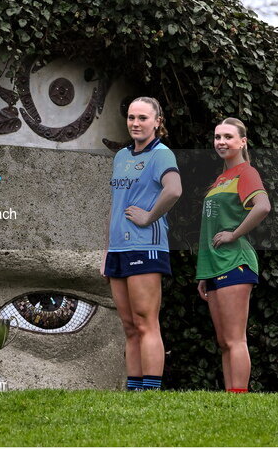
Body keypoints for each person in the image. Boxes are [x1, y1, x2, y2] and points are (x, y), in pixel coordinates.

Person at [101, 96, 182, 391]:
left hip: (145, 246)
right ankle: (134, 389)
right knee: (129, 326)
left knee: (146, 322)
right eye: (132, 117)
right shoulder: (121, 156)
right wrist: (107, 250)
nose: (136, 123)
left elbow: (174, 190)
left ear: (157, 122)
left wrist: (148, 217)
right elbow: (115, 205)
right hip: (118, 250)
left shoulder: (162, 154)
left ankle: (151, 390)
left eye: (143, 118)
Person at [195, 118, 271, 393]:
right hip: (215, 266)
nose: (221, 142)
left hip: (235, 262)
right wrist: (204, 273)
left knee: (235, 339)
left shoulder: (245, 172)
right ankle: (231, 398)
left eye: (228, 136)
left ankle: (239, 397)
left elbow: (262, 207)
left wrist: (233, 234)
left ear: (242, 142)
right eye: (217, 137)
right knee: (224, 341)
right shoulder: (221, 178)